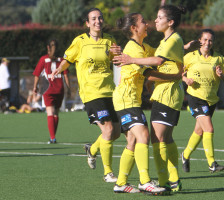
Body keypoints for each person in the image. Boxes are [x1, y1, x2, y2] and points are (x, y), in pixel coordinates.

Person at [113, 4, 187, 192]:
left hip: (133, 99)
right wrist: (175, 76)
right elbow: (150, 73)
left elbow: (164, 53)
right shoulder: (133, 49)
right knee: (144, 136)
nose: (149, 23)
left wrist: (182, 48)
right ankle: (145, 180)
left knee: (133, 140)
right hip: (126, 99)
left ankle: (121, 183)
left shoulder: (144, 46)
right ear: (134, 28)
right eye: (143, 21)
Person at [51, 8, 121, 183]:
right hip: (91, 93)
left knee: (116, 132)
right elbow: (68, 59)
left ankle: (92, 150)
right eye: (94, 19)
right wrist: (59, 69)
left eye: (100, 18)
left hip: (110, 91)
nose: (98, 21)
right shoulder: (80, 41)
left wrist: (120, 54)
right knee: (108, 129)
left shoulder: (110, 40)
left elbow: (116, 60)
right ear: (87, 23)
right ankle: (108, 173)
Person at [180, 29, 224, 174]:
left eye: (210, 40)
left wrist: (221, 76)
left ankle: (185, 155)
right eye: (205, 40)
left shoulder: (218, 58)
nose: (208, 43)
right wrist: (185, 79)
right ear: (199, 41)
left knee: (199, 131)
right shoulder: (190, 56)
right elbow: (178, 72)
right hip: (195, 97)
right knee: (209, 129)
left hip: (211, 100)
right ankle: (211, 163)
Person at [33, 39, 70, 144]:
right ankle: (53, 136)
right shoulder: (62, 60)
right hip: (59, 89)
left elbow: (37, 74)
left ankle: (52, 137)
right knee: (56, 113)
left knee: (50, 113)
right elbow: (66, 76)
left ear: (48, 47)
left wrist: (34, 87)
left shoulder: (43, 59)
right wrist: (69, 89)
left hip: (48, 88)